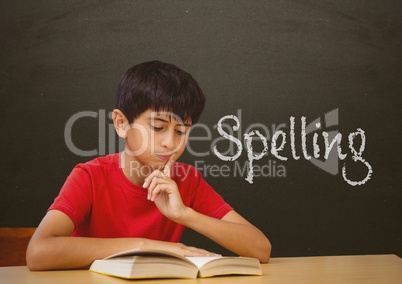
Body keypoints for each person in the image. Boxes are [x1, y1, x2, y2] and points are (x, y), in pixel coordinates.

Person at [26, 60, 271, 270]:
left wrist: (184, 214)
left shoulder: (186, 179)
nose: (170, 143)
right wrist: (144, 246)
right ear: (121, 124)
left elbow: (261, 248)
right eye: (158, 127)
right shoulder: (90, 176)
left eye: (181, 131)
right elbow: (38, 253)